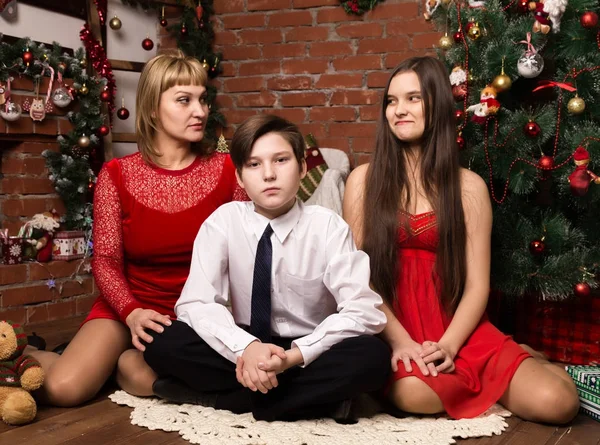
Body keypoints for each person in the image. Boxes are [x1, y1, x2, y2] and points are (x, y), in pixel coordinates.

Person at [342, 56, 580, 424]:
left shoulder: (469, 187)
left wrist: (450, 345)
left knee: (560, 404)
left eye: (413, 99)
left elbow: (476, 286)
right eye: (391, 101)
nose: (398, 110)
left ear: (437, 105)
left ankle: (521, 354)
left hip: (458, 330)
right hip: (393, 327)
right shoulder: (363, 180)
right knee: (413, 395)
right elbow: (358, 281)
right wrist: (399, 341)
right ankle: (489, 376)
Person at [27, 50, 248, 407]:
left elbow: (244, 256)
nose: (200, 111)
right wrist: (130, 312)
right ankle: (26, 357)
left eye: (203, 99)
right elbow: (107, 261)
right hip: (130, 305)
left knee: (153, 379)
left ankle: (120, 365)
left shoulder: (227, 171)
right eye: (184, 100)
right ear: (151, 109)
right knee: (64, 389)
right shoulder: (116, 174)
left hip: (201, 310)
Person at [143, 114, 390, 422]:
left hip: (307, 348)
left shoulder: (327, 226)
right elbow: (196, 302)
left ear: (302, 168)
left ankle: (235, 400)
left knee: (373, 358)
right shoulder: (224, 221)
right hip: (245, 341)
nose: (269, 174)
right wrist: (246, 348)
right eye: (254, 164)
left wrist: (293, 356)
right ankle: (314, 402)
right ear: (240, 177)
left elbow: (363, 310)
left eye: (281, 160)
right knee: (163, 342)